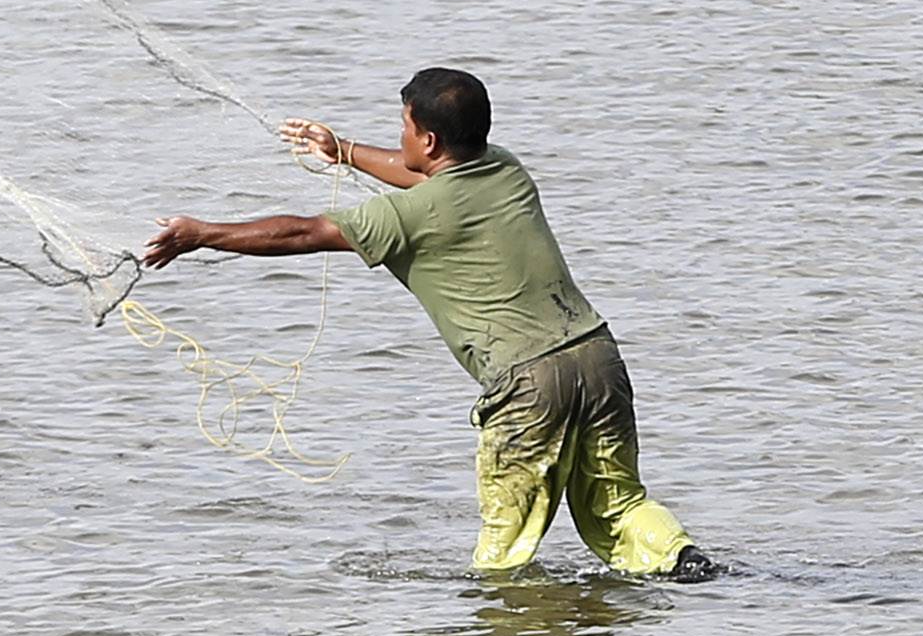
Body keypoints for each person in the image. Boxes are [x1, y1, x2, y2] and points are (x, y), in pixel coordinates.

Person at [141, 65, 717, 582]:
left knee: (504, 553)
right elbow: (427, 178)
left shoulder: (407, 217)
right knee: (616, 502)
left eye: (404, 128)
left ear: (429, 139)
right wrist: (341, 150)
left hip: (528, 384)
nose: (400, 138)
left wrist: (203, 234)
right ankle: (682, 558)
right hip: (597, 356)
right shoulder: (507, 171)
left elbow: (301, 232)